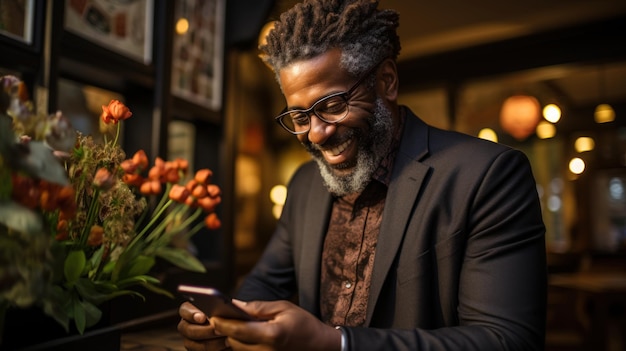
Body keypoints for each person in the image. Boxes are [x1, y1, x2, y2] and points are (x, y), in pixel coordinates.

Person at [177, 0, 547, 350]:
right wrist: (225, 321)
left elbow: (506, 340)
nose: (317, 133)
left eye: (333, 105)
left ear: (386, 81)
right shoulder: (305, 185)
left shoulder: (488, 175)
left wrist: (334, 343)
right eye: (300, 117)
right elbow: (265, 283)